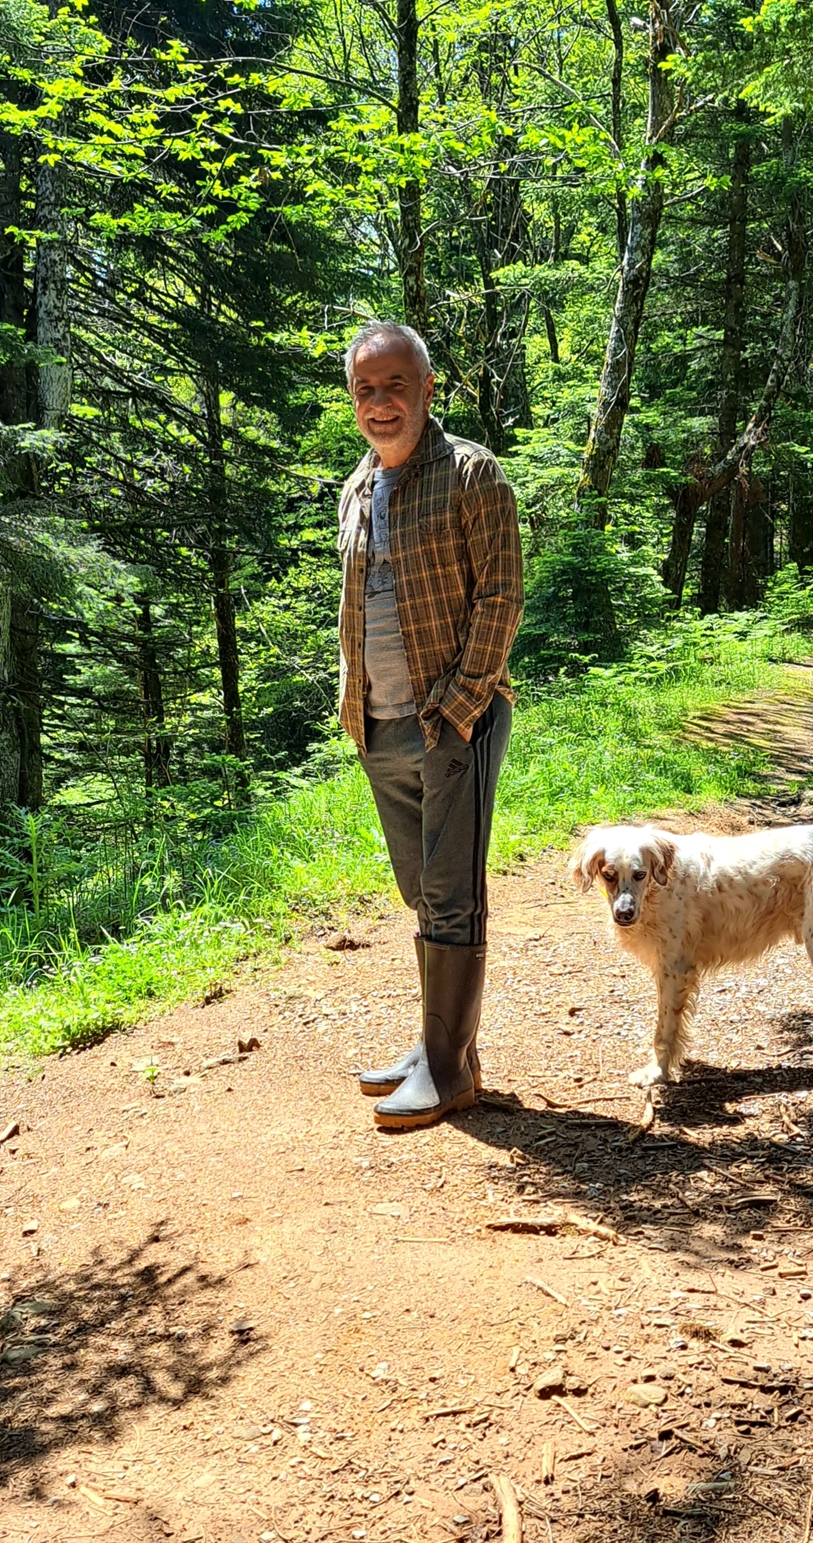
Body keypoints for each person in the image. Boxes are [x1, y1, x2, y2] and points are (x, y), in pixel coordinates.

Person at [336, 321, 523, 1129]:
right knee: (421, 892)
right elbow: (358, 606)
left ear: (427, 388)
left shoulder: (473, 476)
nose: (381, 404)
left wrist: (456, 706)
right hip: (377, 724)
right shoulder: (357, 486)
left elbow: (502, 597)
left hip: (455, 719)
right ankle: (441, 1046)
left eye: (395, 386)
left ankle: (448, 1072)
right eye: (365, 390)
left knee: (451, 896)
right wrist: (355, 703)